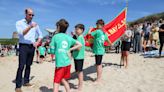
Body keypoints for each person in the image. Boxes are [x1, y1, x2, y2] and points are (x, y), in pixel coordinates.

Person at [50, 19, 82, 92]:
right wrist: (69, 50)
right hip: (67, 63)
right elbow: (80, 44)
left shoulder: (55, 37)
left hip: (60, 64)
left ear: (58, 27)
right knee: (63, 79)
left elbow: (52, 50)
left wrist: (53, 51)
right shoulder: (68, 37)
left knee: (56, 82)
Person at [15, 8, 43, 92]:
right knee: (21, 66)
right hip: (23, 46)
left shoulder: (35, 24)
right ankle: (18, 86)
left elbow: (40, 35)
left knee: (28, 65)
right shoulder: (19, 23)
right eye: (30, 14)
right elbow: (21, 33)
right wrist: (30, 26)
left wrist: (37, 42)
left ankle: (26, 81)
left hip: (32, 46)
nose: (31, 16)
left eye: (32, 15)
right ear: (25, 14)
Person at [88, 19, 109, 84]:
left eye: (98, 24)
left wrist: (90, 29)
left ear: (101, 25)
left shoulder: (97, 31)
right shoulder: (104, 33)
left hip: (98, 51)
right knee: (99, 64)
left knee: (98, 65)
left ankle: (98, 79)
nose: (97, 25)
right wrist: (111, 44)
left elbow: (89, 34)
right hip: (101, 50)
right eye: (97, 24)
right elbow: (108, 40)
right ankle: (99, 78)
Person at [72, 24, 85, 91]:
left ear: (82, 30)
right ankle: (80, 84)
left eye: (77, 29)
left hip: (79, 57)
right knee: (77, 71)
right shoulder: (79, 37)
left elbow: (79, 48)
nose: (76, 31)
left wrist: (72, 48)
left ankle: (80, 85)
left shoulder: (80, 37)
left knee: (79, 72)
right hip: (77, 57)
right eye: (75, 29)